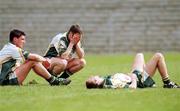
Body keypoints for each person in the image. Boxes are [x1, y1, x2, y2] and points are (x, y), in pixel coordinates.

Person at [0, 29, 71, 86]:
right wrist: (45, 61)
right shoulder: (13, 49)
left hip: (4, 79)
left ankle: (54, 80)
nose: (24, 42)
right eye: (22, 39)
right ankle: (54, 81)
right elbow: (33, 57)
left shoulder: (8, 47)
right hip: (5, 81)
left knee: (29, 60)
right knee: (33, 61)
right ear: (15, 39)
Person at [86, 53, 180, 89]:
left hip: (135, 74)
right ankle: (167, 83)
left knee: (139, 55)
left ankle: (148, 77)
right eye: (94, 77)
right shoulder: (110, 84)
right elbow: (132, 88)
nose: (95, 75)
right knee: (158, 56)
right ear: (96, 81)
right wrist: (134, 79)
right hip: (139, 80)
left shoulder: (105, 79)